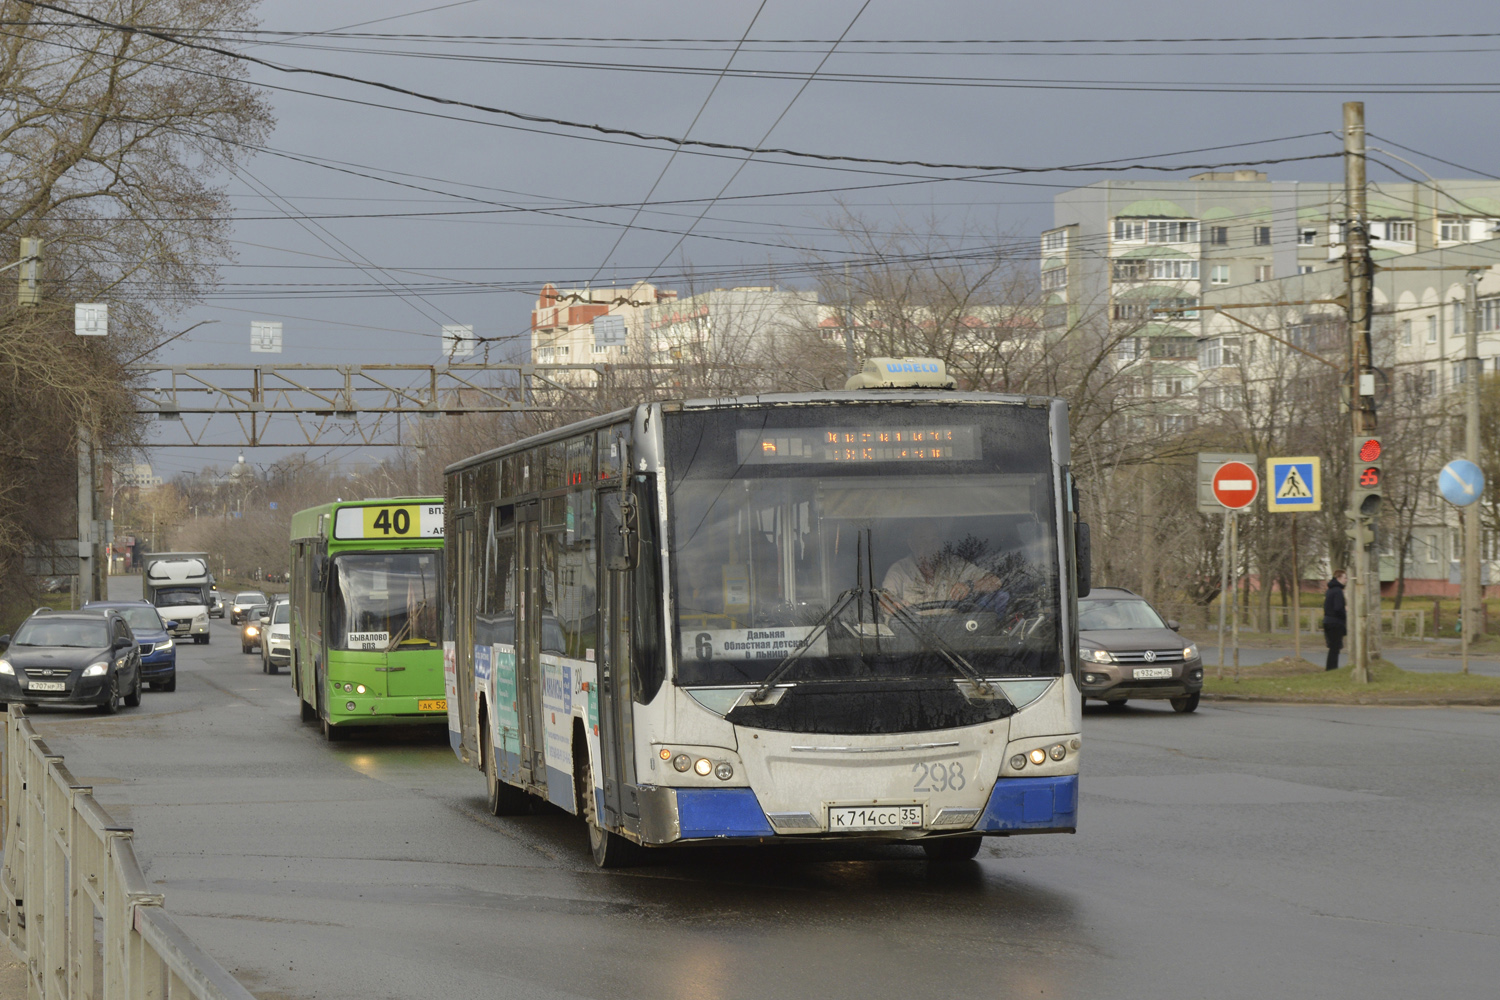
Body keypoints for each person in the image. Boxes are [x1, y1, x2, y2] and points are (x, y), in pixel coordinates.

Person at [881, 520, 1005, 609]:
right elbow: (885, 598)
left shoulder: (956, 566)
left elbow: (995, 582)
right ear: (912, 544)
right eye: (923, 540)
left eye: (934, 540)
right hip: (912, 641)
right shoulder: (900, 570)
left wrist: (970, 586)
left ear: (941, 543)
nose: (930, 546)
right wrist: (896, 606)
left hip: (955, 640)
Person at [1322, 570, 1347, 671]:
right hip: (1335, 622)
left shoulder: (1330, 590)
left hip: (1327, 621)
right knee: (1335, 648)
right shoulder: (1337, 591)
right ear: (1339, 578)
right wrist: (1345, 612)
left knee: (1333, 647)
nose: (1346, 580)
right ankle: (1332, 669)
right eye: (1345, 577)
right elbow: (1338, 608)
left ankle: (1330, 668)